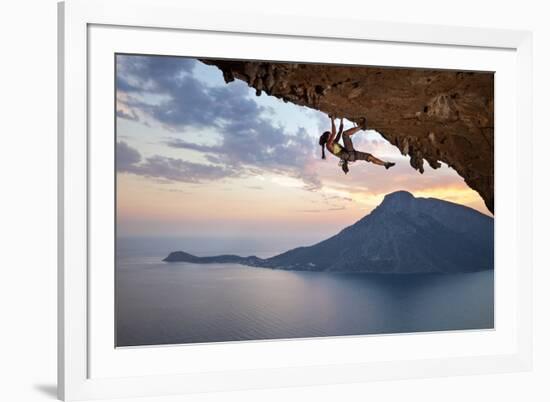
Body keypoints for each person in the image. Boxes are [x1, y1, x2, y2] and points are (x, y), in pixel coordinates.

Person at [319, 116, 395, 174]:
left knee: (369, 157)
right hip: (349, 154)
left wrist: (341, 120)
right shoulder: (328, 145)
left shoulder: (333, 143)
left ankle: (385, 164)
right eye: (330, 135)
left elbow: (339, 131)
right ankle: (361, 126)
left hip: (351, 156)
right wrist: (332, 120)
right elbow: (335, 132)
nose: (332, 136)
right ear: (327, 138)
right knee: (345, 135)